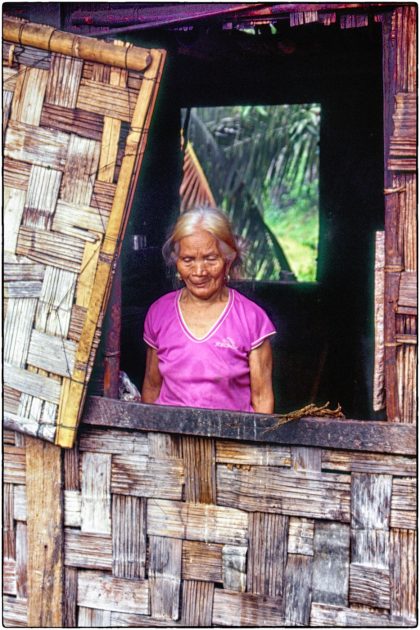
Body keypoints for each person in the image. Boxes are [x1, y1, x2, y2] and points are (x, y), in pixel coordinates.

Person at [141, 206, 276, 413]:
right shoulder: (159, 313)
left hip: (232, 439)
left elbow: (262, 398)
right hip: (167, 440)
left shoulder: (252, 319)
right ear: (176, 262)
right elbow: (151, 387)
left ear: (228, 261)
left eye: (210, 259)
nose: (199, 271)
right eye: (188, 260)